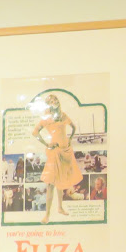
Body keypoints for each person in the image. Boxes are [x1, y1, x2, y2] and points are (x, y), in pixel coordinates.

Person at [32, 94, 83, 224]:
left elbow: (74, 127)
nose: (54, 101)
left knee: (61, 180)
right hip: (54, 151)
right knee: (51, 184)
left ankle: (60, 208)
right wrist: (46, 144)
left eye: (55, 99)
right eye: (51, 101)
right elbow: (35, 132)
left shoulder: (63, 115)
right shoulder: (46, 118)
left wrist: (70, 139)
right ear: (48, 104)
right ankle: (47, 215)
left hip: (66, 150)